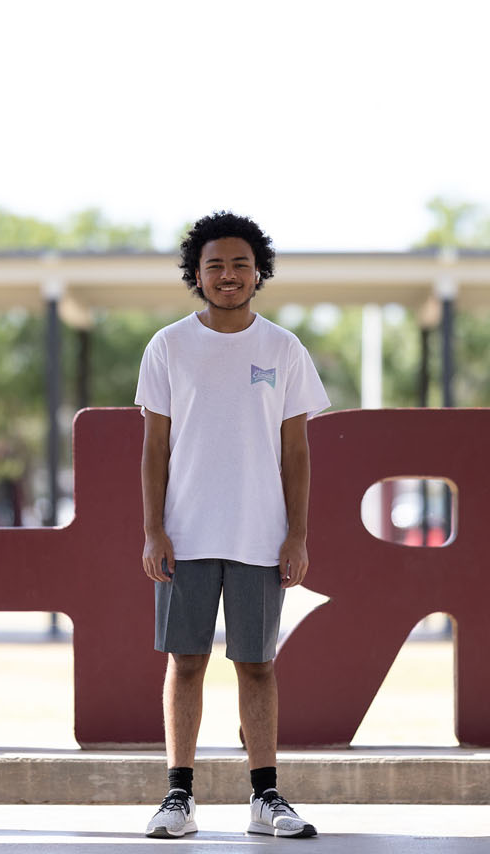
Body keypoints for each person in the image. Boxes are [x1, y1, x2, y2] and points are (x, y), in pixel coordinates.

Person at [134, 211, 330, 839]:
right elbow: (153, 448)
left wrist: (297, 534)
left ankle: (266, 797)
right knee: (185, 663)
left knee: (258, 666)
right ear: (197, 273)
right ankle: (178, 798)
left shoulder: (282, 349)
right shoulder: (168, 346)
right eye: (215, 264)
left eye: (240, 264)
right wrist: (153, 530)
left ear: (258, 272)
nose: (227, 275)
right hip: (185, 536)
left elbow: (296, 452)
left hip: (259, 536)